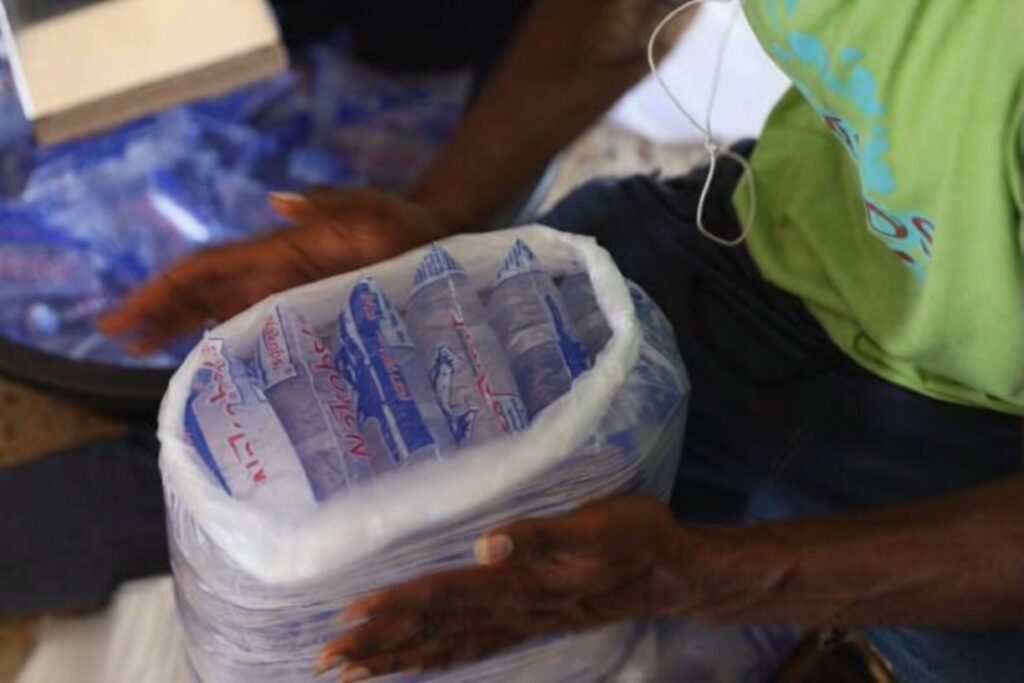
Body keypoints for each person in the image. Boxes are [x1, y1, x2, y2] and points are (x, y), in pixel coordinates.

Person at [91, 0, 1024, 680]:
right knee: (323, 553)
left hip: (980, 440)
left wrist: (703, 580)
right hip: (753, 246)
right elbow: (613, 19)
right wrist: (441, 218)